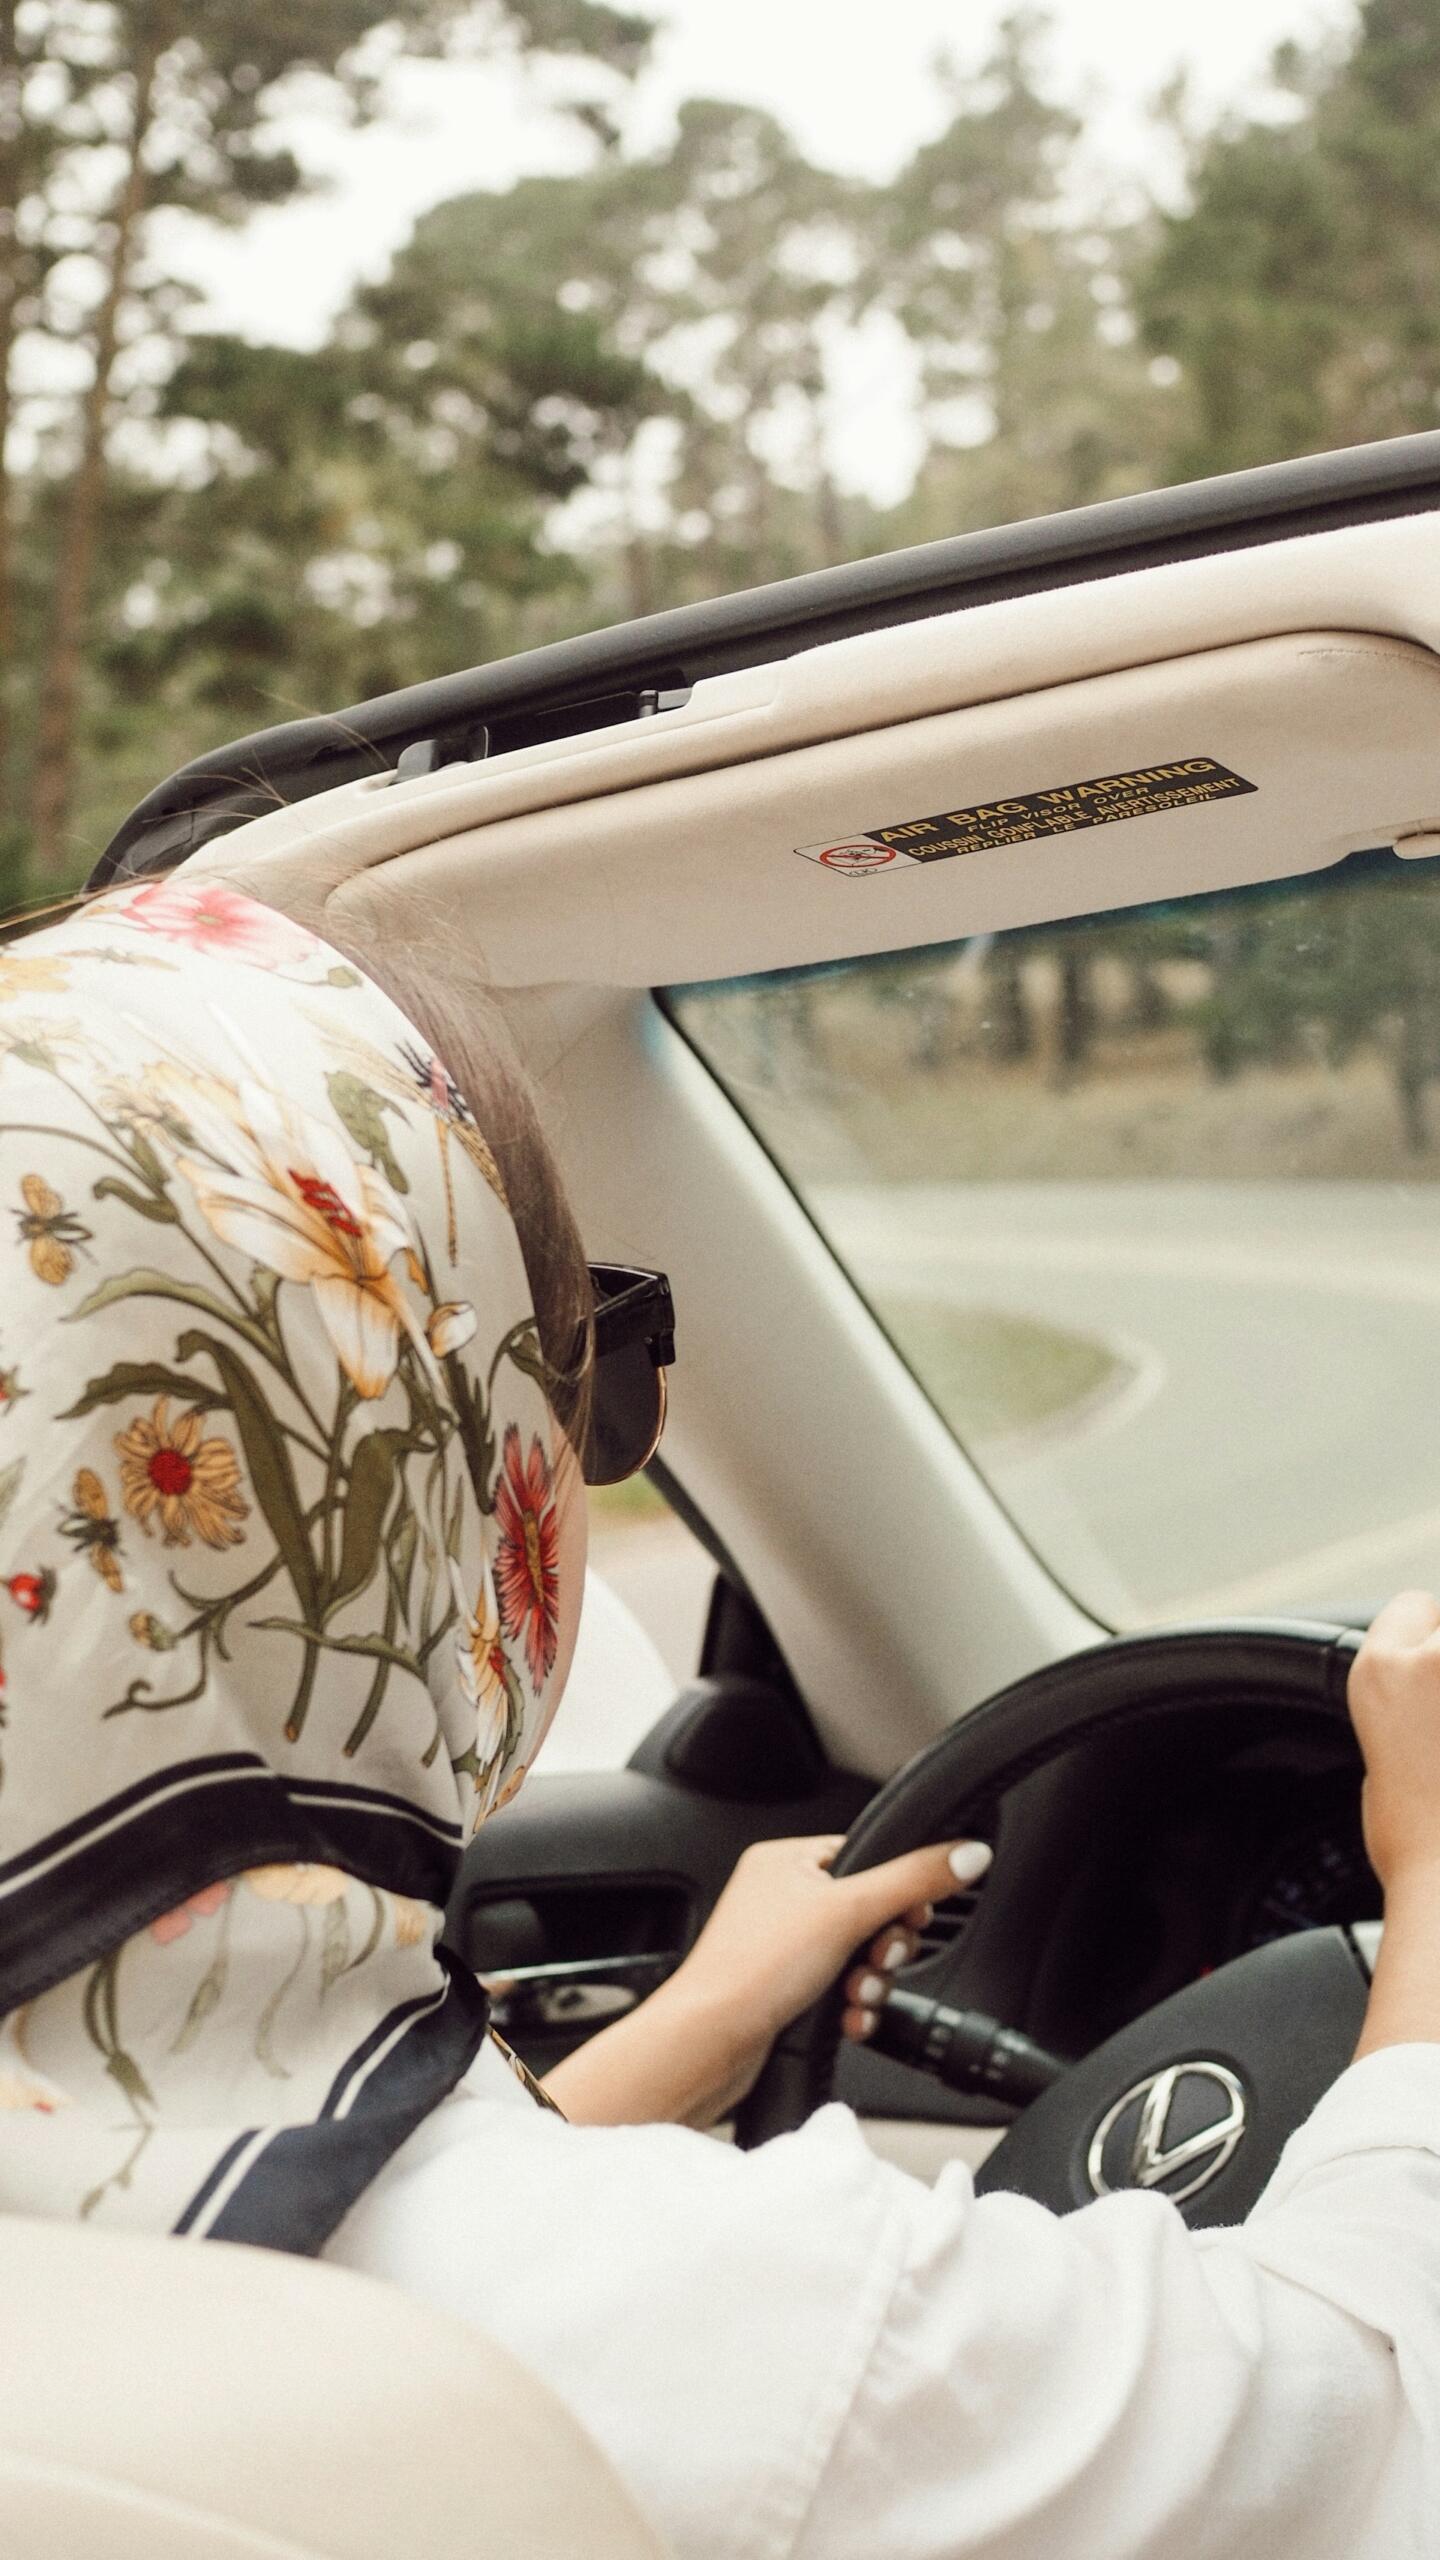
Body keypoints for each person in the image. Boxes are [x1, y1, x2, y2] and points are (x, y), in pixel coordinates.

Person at [0, 869, 1435, 2560]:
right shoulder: (755, 2347)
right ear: (392, 1493)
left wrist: (702, 2022)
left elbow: (279, 2280)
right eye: (579, 1395)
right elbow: (1368, 2415)